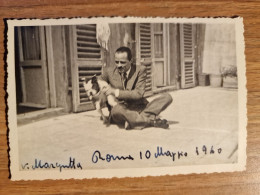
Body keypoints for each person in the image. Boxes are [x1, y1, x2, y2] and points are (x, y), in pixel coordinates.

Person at [102, 46, 172, 130]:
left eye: (122, 62)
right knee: (116, 110)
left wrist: (115, 92)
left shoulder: (140, 70)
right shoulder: (109, 71)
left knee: (167, 97)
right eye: (117, 62)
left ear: (131, 61)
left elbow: (138, 94)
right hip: (121, 108)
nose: (119, 65)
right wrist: (104, 90)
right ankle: (151, 121)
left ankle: (133, 120)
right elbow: (98, 81)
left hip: (138, 107)